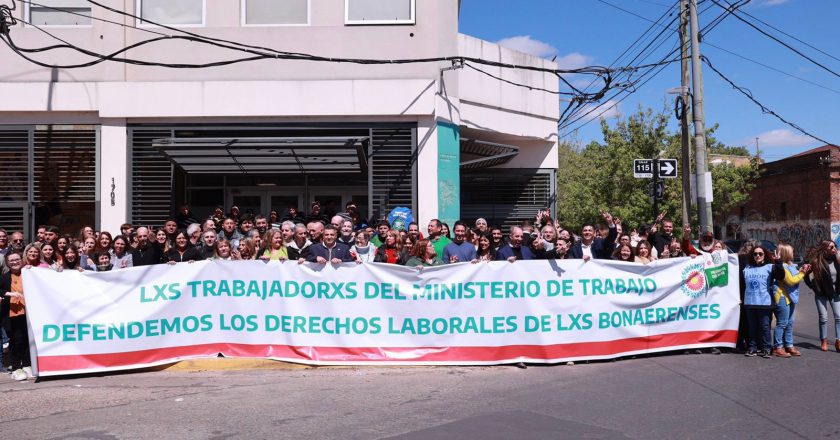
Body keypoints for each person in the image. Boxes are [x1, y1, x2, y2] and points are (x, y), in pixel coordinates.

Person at [741, 245, 786, 358]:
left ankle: (766, 348)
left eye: (760, 254)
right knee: (752, 327)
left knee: (765, 327)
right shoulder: (747, 268)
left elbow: (781, 276)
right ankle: (752, 348)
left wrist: (779, 262)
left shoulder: (770, 267)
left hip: (764, 303)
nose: (758, 256)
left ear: (764, 255)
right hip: (750, 303)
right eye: (755, 254)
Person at [771, 244, 810, 357]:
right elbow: (791, 281)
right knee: (782, 323)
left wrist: (801, 270)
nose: (793, 253)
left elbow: (795, 275)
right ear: (786, 253)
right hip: (782, 297)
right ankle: (778, 347)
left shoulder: (790, 265)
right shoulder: (781, 267)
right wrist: (803, 273)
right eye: (792, 252)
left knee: (790, 323)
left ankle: (789, 345)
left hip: (789, 297)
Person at [1, 253, 33, 381]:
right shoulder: (4, 277)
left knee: (27, 339)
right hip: (12, 314)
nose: (15, 262)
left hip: (28, 313)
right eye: (11, 260)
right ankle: (15, 367)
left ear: (22, 260)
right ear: (8, 263)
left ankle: (26, 365)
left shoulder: (28, 273)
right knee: (16, 341)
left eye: (17, 259)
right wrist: (9, 293)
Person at [804, 240, 840, 352]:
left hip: (836, 293)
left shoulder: (837, 260)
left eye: (835, 247)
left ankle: (838, 340)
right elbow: (806, 275)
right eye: (832, 247)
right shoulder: (816, 261)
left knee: (839, 317)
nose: (834, 249)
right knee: (823, 317)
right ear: (825, 249)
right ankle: (824, 340)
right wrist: (813, 287)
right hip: (821, 294)